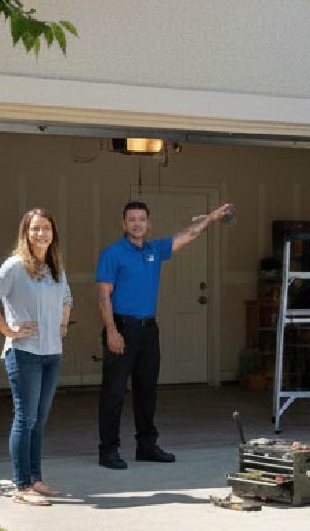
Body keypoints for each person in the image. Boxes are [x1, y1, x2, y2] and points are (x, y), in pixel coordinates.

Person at [95, 200, 232, 469]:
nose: (137, 224)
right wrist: (111, 330)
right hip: (122, 327)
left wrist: (212, 218)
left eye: (141, 219)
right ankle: (108, 450)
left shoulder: (154, 250)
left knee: (147, 391)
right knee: (113, 393)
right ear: (124, 223)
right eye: (131, 219)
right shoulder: (113, 253)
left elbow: (188, 234)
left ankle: (146, 446)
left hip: (148, 329)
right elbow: (103, 295)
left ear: (148, 223)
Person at [0, 209, 73, 506]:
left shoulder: (55, 267)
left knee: (39, 420)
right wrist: (8, 329)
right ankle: (22, 486)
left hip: (51, 353)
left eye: (46, 228)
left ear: (53, 233)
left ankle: (36, 479)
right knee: (25, 417)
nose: (41, 234)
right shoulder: (16, 266)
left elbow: (67, 298)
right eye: (35, 229)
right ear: (26, 233)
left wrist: (62, 325)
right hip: (24, 354)